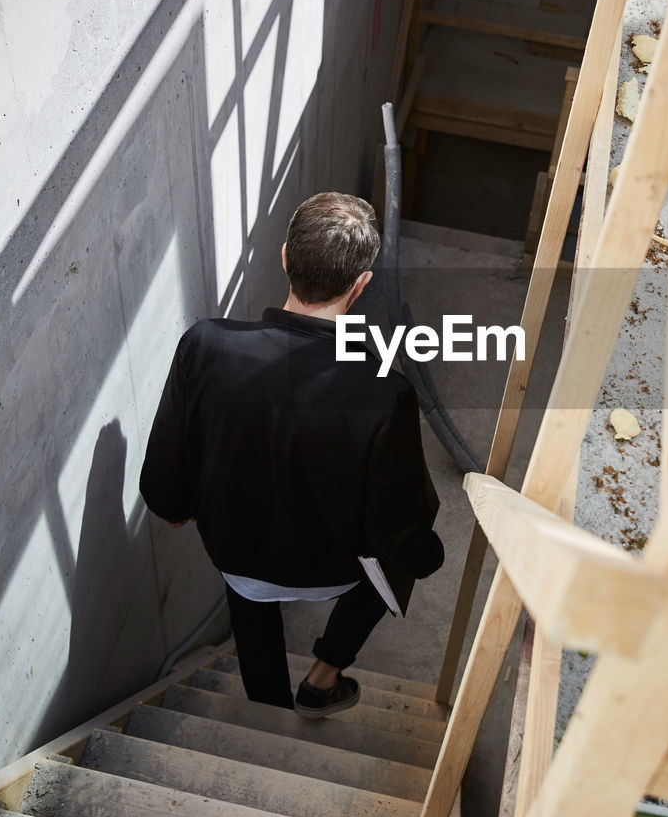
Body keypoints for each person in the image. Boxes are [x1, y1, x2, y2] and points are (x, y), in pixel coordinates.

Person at [140, 191, 443, 716]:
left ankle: (269, 709)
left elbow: (166, 473)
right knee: (408, 547)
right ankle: (323, 677)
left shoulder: (205, 344)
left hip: (237, 555)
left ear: (284, 257)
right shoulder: (382, 391)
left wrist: (175, 505)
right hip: (333, 566)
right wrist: (424, 555)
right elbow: (399, 522)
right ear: (361, 283)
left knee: (252, 601)